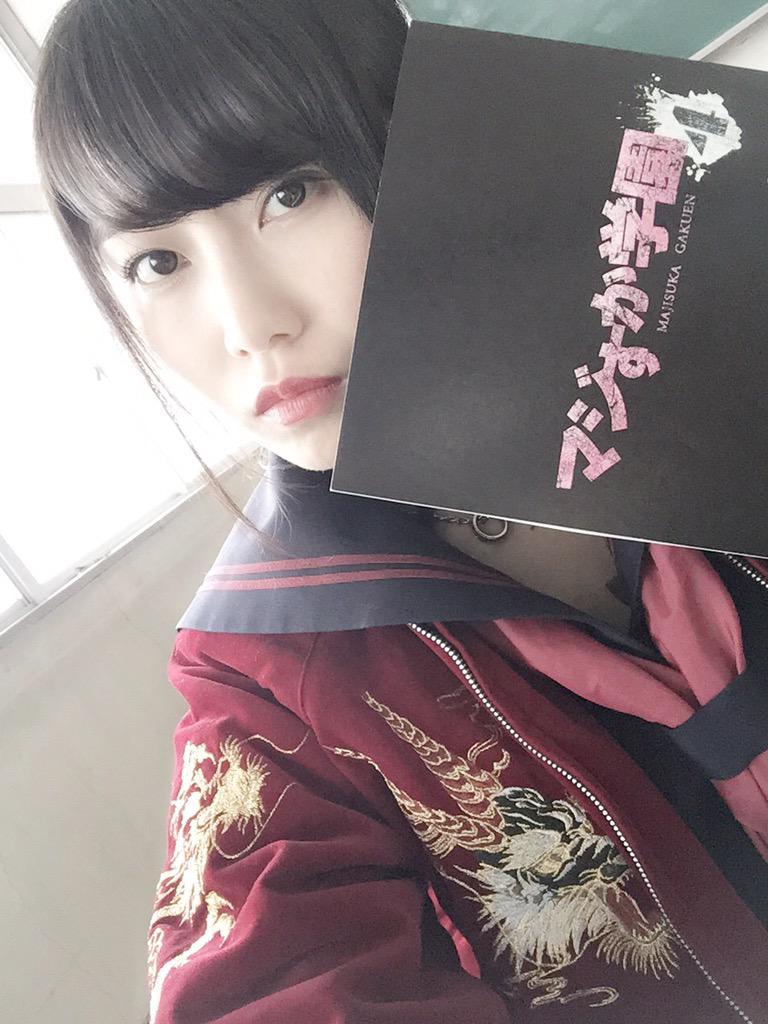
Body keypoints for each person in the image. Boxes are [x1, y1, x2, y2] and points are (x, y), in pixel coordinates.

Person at [33, 2, 768, 1022]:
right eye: (157, 263)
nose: (252, 325)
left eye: (292, 193)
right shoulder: (264, 673)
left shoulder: (706, 337)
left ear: (416, 132)